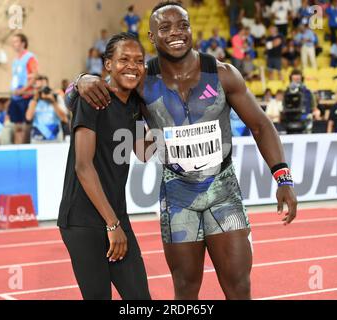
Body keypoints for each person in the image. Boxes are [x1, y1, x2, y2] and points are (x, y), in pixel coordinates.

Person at [67, 1, 297, 300]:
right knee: (186, 290)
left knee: (239, 287)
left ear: (191, 30)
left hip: (222, 190)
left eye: (183, 26)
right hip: (177, 195)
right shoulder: (140, 80)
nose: (176, 33)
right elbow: (96, 92)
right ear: (152, 37)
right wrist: (80, 81)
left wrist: (283, 178)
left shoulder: (224, 74)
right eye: (165, 28)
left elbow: (261, 126)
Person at [58, 33, 152, 300]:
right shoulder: (93, 97)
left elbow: (145, 153)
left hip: (116, 215)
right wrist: (113, 225)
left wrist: (153, 111)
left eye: (139, 61)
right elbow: (83, 167)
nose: (132, 66)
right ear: (108, 64)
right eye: (124, 59)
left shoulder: (134, 105)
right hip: (83, 219)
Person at [8, 33, 38, 144]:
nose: (13, 44)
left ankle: (25, 148)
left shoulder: (29, 57)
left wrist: (23, 90)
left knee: (26, 126)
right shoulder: (15, 60)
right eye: (13, 41)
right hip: (16, 97)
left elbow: (34, 76)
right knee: (17, 126)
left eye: (16, 41)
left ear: (23, 43)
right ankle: (17, 148)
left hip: (26, 96)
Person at [25, 75, 68, 143]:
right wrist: (35, 98)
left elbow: (64, 119)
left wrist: (53, 102)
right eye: (38, 88)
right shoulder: (33, 101)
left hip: (55, 137)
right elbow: (28, 117)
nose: (42, 91)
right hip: (37, 138)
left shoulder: (57, 98)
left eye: (43, 88)